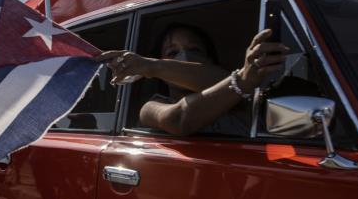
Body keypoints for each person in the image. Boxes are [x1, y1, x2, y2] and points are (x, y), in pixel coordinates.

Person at [98, 26, 288, 136]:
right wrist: (151, 67)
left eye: (195, 50)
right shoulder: (152, 107)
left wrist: (244, 79)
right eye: (173, 53)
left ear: (210, 59)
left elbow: (230, 79)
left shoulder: (243, 93)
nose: (185, 56)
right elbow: (179, 118)